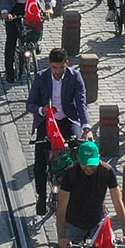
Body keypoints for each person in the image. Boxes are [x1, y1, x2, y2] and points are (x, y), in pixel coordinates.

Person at [27, 47, 89, 205]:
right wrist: (42, 110)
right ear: (50, 65)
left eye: (61, 67)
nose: (58, 71)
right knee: (40, 161)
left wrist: (86, 127)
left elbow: (81, 103)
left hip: (68, 120)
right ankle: (41, 196)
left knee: (77, 153)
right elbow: (30, 104)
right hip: (47, 122)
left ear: (66, 63)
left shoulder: (75, 77)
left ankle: (76, 192)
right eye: (54, 68)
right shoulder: (41, 77)